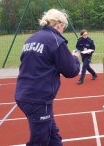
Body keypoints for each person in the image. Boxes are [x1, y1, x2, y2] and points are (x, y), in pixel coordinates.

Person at [14, 9, 80, 146]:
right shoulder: (56, 41)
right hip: (38, 98)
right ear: (59, 24)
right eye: (64, 27)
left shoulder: (31, 39)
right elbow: (71, 71)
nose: (63, 30)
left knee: (52, 134)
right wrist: (75, 58)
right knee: (40, 141)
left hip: (24, 94)